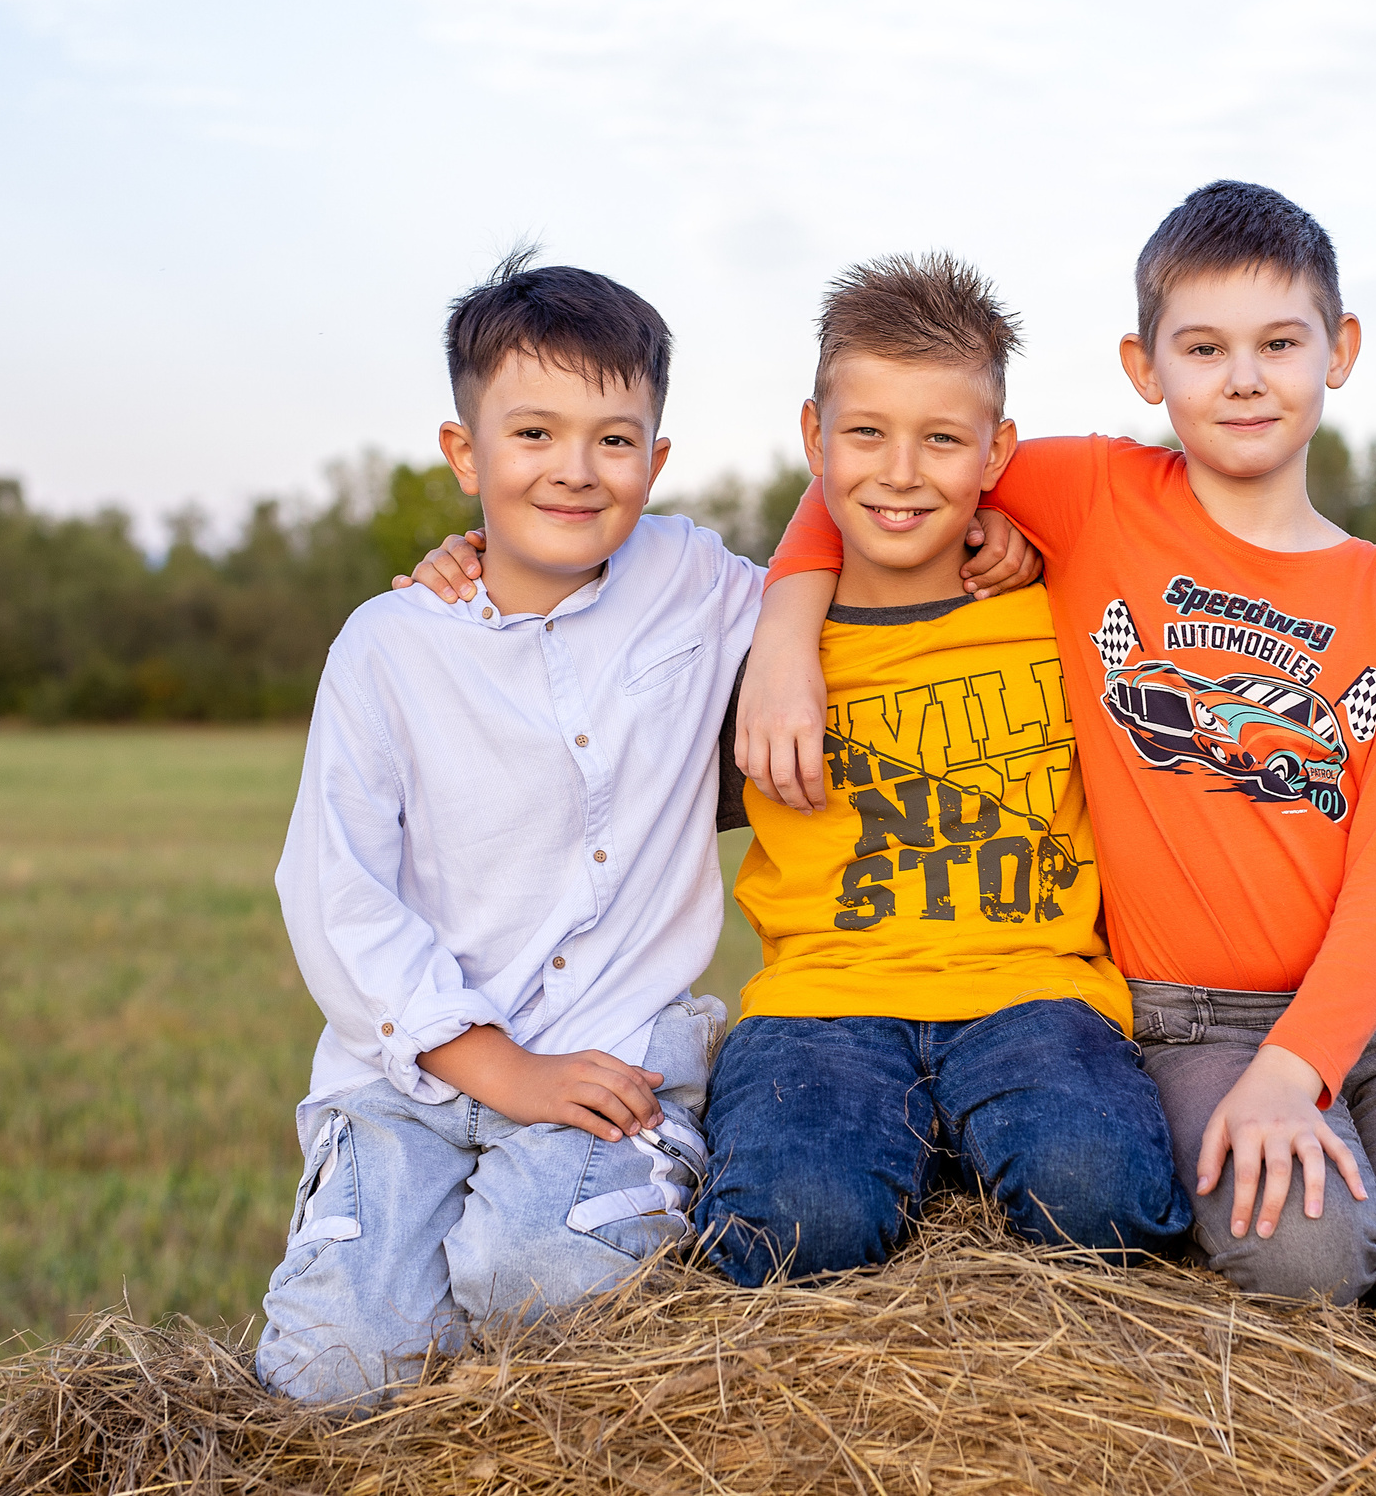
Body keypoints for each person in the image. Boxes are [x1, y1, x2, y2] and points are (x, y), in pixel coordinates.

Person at [739, 181, 1376, 1395]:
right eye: (1203, 349)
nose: (1243, 380)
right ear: (1145, 368)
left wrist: (1296, 1073)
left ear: (1338, 352)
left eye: (1278, 344)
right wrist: (783, 628)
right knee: (1304, 1255)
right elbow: (877, 461)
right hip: (1192, 1019)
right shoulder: (1092, 493)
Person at [258, 253, 1038, 1408]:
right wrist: (502, 1073)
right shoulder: (389, 644)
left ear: (656, 459)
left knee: (542, 1284)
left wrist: (1002, 537)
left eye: (613, 440)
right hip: (405, 1074)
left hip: (616, 1052)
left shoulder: (690, 578)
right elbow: (338, 897)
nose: (574, 470)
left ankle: (640, 1180)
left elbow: (858, 525)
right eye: (532, 435)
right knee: (334, 1373)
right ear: (465, 454)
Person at [690, 253, 1196, 1281]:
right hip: (823, 1000)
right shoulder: (752, 643)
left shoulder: (1062, 606)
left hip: (1035, 988)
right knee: (796, 1226)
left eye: (942, 440)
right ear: (814, 438)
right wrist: (456, 584)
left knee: (1101, 1194)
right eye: (866, 434)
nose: (901, 472)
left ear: (995, 451)